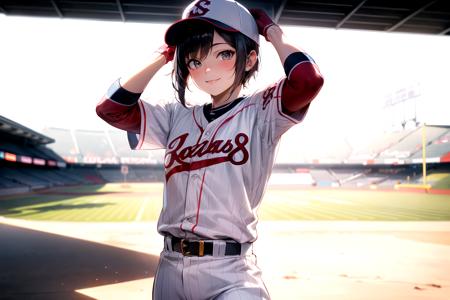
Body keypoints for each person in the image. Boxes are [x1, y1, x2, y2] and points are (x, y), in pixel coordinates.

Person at [96, 0, 324, 299]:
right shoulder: (175, 117)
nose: (207, 69)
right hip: (169, 267)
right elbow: (110, 108)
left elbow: (308, 81)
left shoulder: (262, 110)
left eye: (224, 54)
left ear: (251, 58)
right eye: (194, 60)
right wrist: (162, 56)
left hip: (229, 271)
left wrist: (272, 32)